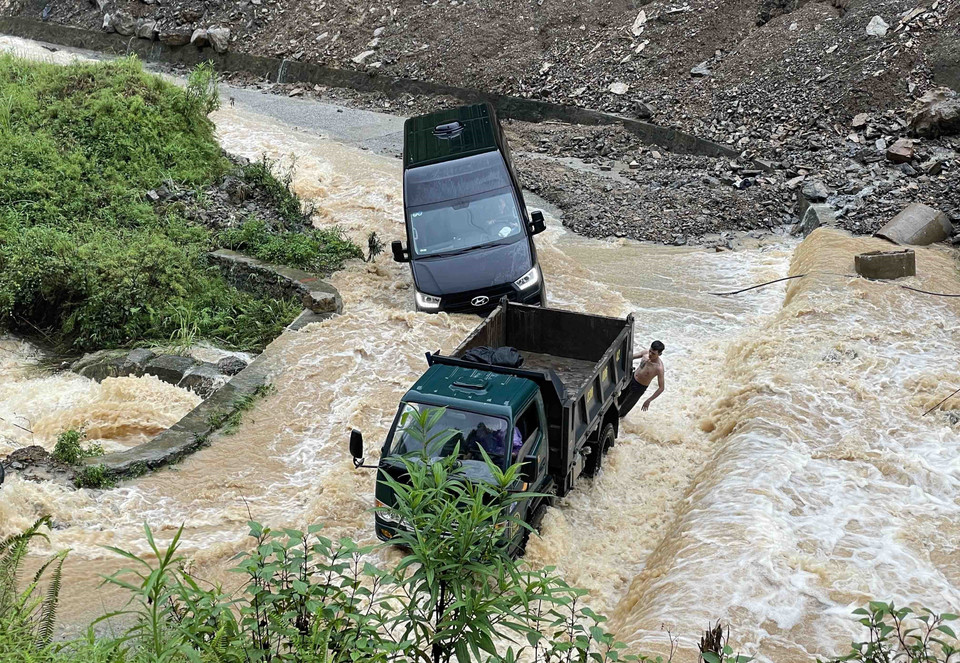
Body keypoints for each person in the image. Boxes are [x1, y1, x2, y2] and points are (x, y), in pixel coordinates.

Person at [619, 340, 665, 417]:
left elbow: (661, 388)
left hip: (638, 388)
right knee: (618, 400)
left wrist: (649, 400)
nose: (650, 354)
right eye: (650, 351)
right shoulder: (645, 353)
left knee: (623, 409)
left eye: (653, 353)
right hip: (631, 379)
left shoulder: (659, 368)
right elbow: (630, 358)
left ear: (659, 354)